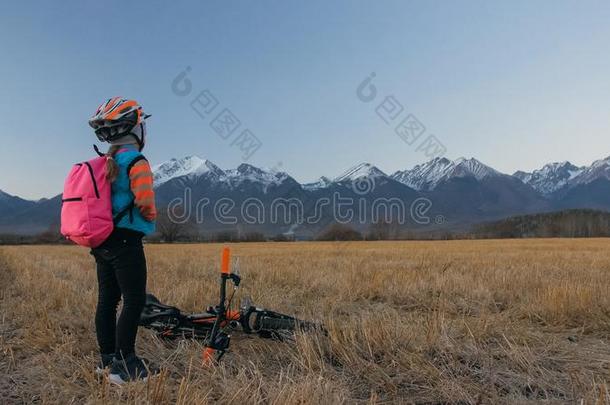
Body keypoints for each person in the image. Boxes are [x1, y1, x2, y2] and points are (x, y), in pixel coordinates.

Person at [88, 97, 158, 384]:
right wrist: (151, 216)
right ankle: (124, 364)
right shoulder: (136, 161)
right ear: (136, 129)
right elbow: (145, 202)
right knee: (134, 300)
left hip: (102, 240)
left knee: (107, 300)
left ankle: (107, 360)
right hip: (126, 240)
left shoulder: (107, 161)